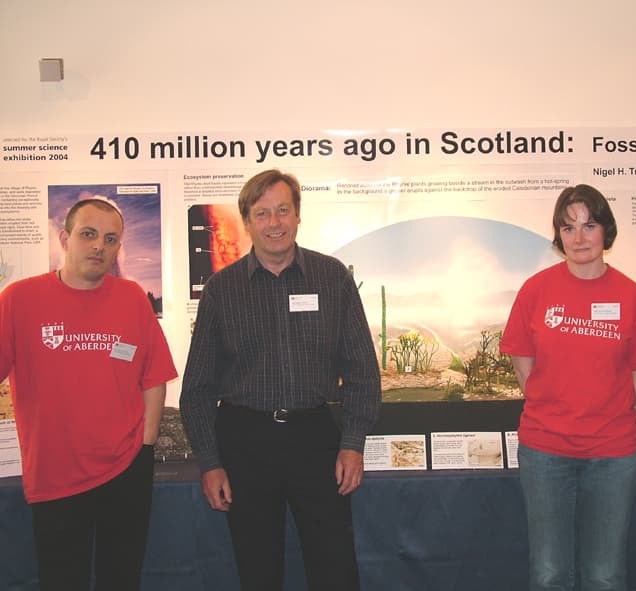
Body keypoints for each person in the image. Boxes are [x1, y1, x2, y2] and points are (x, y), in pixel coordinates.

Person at [180, 169, 381, 591]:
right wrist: (211, 462)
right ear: (247, 222)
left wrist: (352, 443)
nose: (275, 223)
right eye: (263, 213)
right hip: (245, 441)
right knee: (258, 569)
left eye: (283, 210)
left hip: (316, 439)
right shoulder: (222, 289)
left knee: (335, 568)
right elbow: (197, 388)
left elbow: (363, 370)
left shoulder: (333, 278)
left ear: (298, 216)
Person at [0, 198, 177, 590]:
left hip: (125, 468)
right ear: (65, 239)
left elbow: (154, 377)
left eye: (111, 239)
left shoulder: (131, 298)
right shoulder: (19, 299)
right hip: (55, 475)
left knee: (122, 578)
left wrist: (144, 447)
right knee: (62, 580)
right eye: (89, 234)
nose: (99, 245)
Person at [500, 184, 636, 591]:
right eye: (568, 227)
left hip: (613, 453)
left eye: (589, 225)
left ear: (606, 230)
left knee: (605, 575)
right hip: (545, 451)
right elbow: (523, 362)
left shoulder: (632, 297)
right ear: (559, 235)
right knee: (549, 572)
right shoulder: (536, 291)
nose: (579, 237)